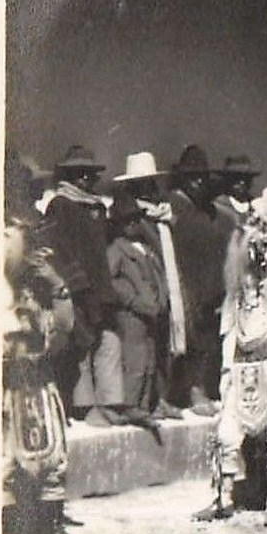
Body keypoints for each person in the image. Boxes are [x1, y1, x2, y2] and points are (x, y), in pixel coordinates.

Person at [194, 191, 267, 526]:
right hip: (243, 368)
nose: (260, 254)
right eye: (254, 246)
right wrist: (226, 370)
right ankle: (222, 497)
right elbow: (229, 331)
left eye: (266, 246)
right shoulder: (238, 287)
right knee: (227, 433)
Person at [3, 221, 83, 534]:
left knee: (53, 456)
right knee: (5, 458)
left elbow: (65, 329)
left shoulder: (42, 289)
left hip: (39, 380)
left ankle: (51, 528)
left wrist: (55, 284)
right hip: (6, 385)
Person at [32, 145, 123, 425]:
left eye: (89, 174)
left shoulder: (94, 207)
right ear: (69, 176)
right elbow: (59, 250)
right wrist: (78, 287)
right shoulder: (61, 205)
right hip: (78, 289)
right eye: (79, 173)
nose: (86, 179)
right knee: (80, 345)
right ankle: (84, 407)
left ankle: (109, 402)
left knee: (106, 341)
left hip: (100, 288)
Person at [112, 152, 187, 420]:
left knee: (163, 345)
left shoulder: (161, 214)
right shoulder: (134, 217)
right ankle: (145, 402)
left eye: (149, 182)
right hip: (144, 291)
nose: (147, 187)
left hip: (164, 285)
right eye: (141, 182)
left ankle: (160, 399)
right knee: (144, 350)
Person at [167, 145, 238, 416]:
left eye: (201, 177)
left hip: (210, 287)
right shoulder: (174, 205)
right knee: (185, 340)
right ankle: (183, 391)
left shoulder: (213, 212)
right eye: (192, 177)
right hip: (183, 284)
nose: (198, 182)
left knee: (206, 340)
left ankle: (198, 387)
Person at [104, 195, 170, 423]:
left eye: (135, 220)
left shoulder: (146, 249)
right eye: (127, 222)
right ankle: (130, 403)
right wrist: (130, 299)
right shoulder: (117, 250)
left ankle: (144, 402)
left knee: (150, 356)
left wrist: (161, 299)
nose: (133, 225)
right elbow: (110, 281)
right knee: (135, 356)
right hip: (132, 314)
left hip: (151, 311)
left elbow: (159, 276)